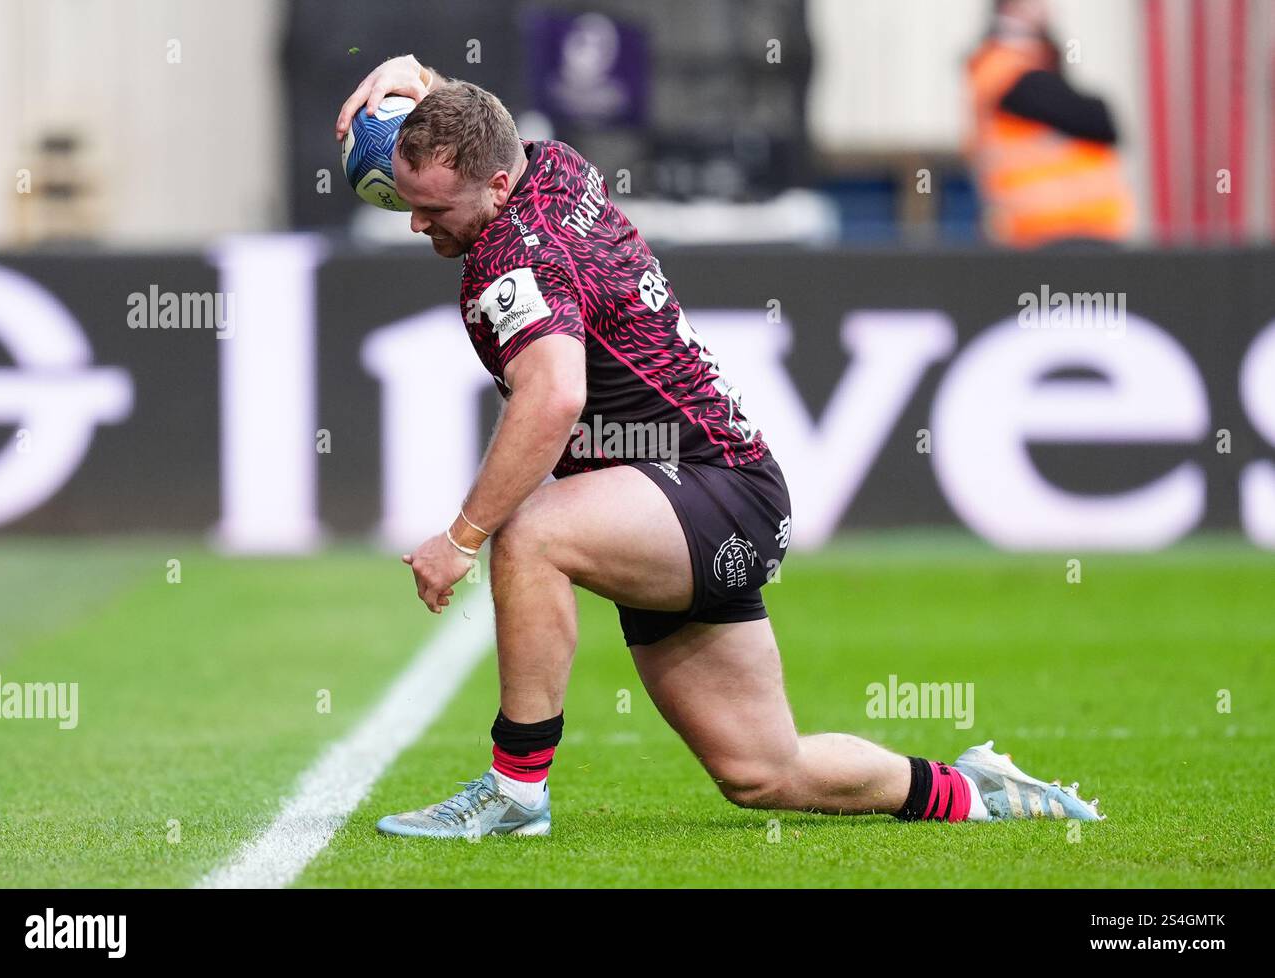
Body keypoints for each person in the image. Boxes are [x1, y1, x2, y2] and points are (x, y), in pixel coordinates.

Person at [333, 55, 1103, 838]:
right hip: (705, 492)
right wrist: (420, 77)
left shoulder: (517, 256)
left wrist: (462, 539)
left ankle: (514, 790)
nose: (417, 223)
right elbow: (480, 126)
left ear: (496, 189)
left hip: (705, 490)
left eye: (431, 208)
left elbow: (555, 396)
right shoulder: (550, 166)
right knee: (764, 772)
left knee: (530, 533)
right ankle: (973, 790)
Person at [966, 0, 1133, 247]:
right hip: (1045, 233)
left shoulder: (1037, 67)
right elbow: (1096, 118)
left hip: (1092, 230)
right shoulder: (999, 70)